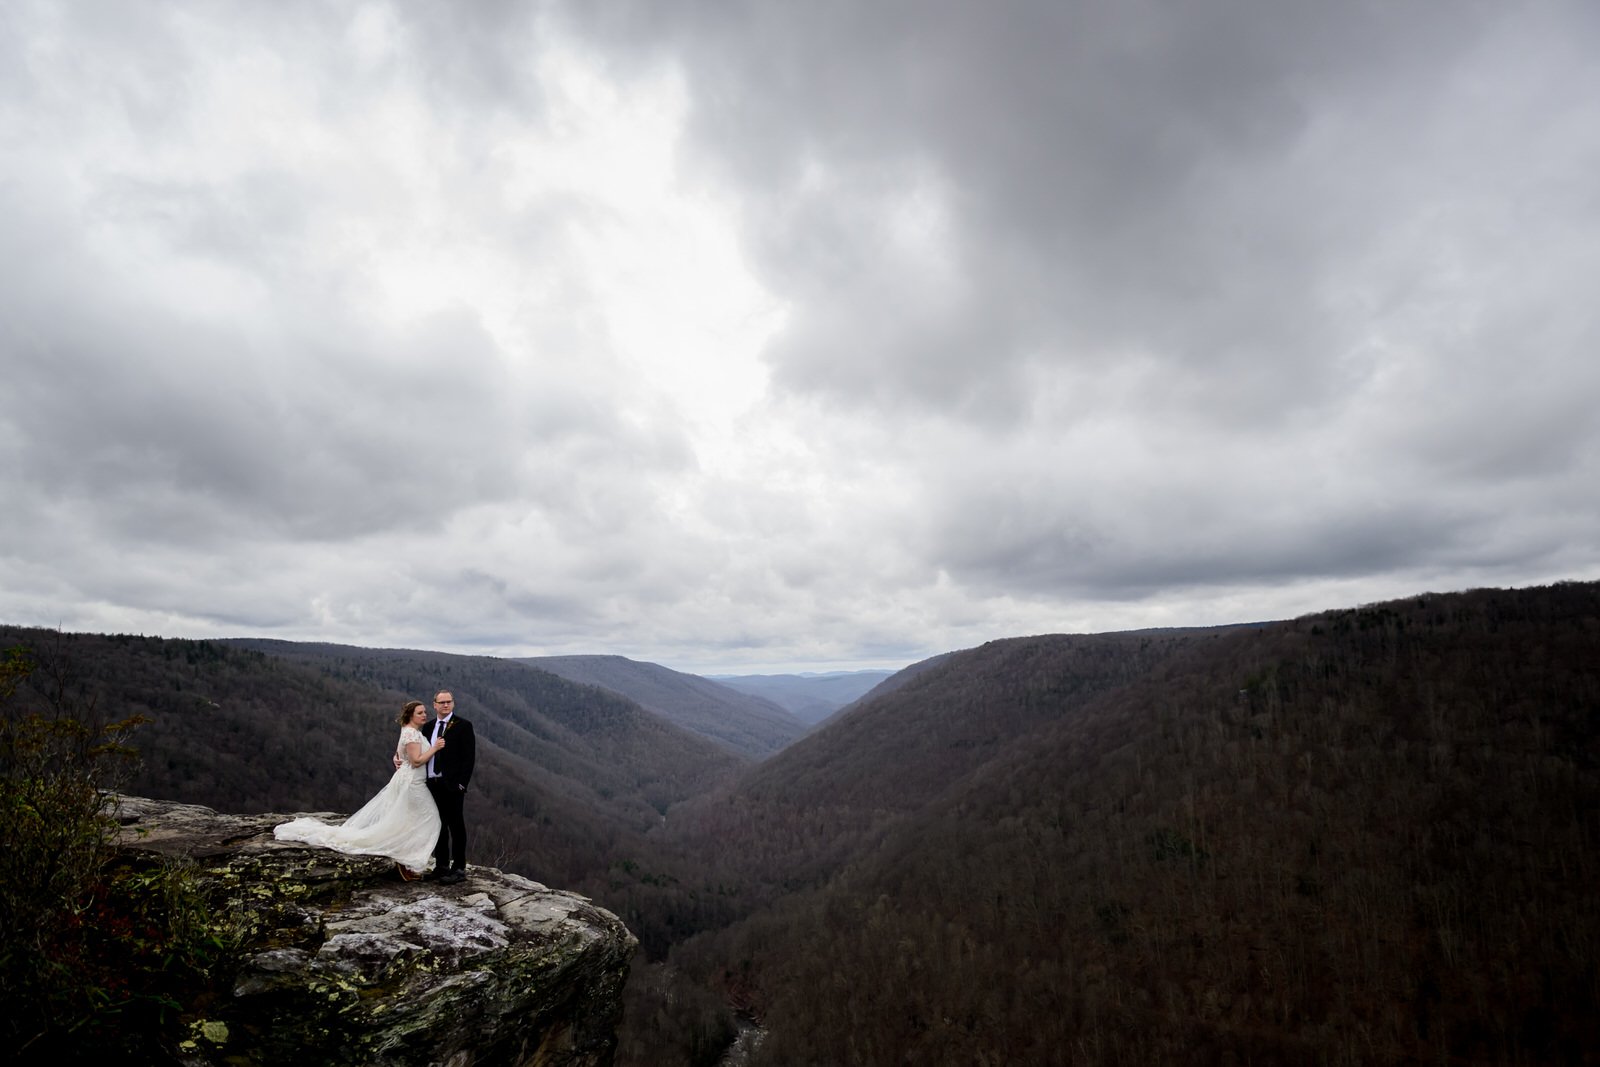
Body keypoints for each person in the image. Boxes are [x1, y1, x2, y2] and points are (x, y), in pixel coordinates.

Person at [274, 700, 445, 880]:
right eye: (419, 713)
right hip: (413, 783)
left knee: (408, 820)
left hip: (409, 779)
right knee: (430, 818)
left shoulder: (409, 731)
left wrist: (398, 758)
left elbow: (399, 755)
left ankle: (406, 862)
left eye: (424, 712)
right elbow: (417, 760)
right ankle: (405, 859)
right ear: (410, 715)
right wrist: (435, 748)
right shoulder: (412, 734)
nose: (424, 715)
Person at [421, 689, 476, 884]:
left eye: (449, 702)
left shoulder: (463, 726)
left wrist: (461, 784)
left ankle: (459, 868)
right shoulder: (427, 728)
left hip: (452, 785)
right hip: (431, 783)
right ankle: (441, 866)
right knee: (438, 825)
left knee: (456, 825)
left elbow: (468, 758)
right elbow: (418, 751)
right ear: (434, 705)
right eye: (441, 702)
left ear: (453, 704)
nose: (445, 705)